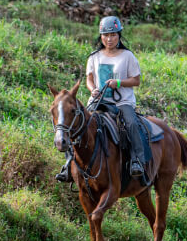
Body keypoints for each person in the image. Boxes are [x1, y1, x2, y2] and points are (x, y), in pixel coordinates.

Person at [55, 16, 147, 182]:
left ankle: (136, 161)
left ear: (119, 35)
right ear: (101, 37)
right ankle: (69, 164)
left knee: (132, 123)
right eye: (106, 35)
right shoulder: (94, 56)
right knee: (75, 124)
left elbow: (136, 80)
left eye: (113, 35)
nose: (109, 39)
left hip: (122, 102)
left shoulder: (127, 56)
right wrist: (93, 89)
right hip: (97, 102)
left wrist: (118, 82)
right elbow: (89, 78)